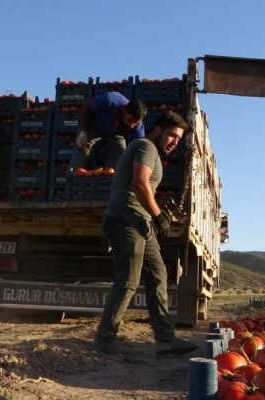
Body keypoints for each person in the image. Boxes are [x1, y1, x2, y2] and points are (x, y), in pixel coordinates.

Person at [93, 110, 198, 356]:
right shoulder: (145, 146)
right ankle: (104, 339)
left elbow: (144, 186)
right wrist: (158, 214)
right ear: (158, 130)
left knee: (158, 275)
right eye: (172, 135)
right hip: (125, 219)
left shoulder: (151, 153)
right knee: (128, 281)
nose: (174, 142)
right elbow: (139, 184)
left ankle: (165, 339)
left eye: (179, 139)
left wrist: (153, 215)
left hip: (140, 222)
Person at [69, 92, 147, 173]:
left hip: (113, 135)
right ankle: (72, 180)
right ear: (124, 111)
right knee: (82, 152)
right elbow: (87, 106)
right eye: (129, 120)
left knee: (120, 163)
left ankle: (113, 184)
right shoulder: (110, 100)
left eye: (135, 123)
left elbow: (140, 147)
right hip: (92, 128)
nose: (131, 125)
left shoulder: (137, 126)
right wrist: (83, 133)